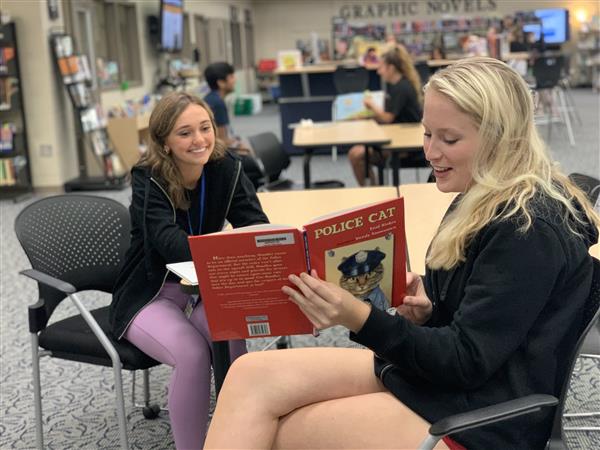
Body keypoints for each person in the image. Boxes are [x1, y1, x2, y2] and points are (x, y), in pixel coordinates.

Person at [204, 58, 600, 449]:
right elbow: (487, 319)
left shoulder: (525, 230)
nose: (430, 152)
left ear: (502, 138)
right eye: (427, 133)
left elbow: (466, 361)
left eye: (449, 140)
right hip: (446, 383)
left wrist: (359, 317)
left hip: (481, 417)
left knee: (277, 430)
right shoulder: (484, 193)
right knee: (249, 374)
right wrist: (431, 309)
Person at [108, 92, 268, 449]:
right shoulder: (148, 177)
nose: (199, 140)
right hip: (151, 293)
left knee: (230, 339)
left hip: (205, 286)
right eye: (185, 133)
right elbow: (169, 242)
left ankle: (238, 438)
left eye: (205, 128)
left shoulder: (226, 167)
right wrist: (225, 253)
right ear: (164, 141)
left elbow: (254, 225)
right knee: (191, 354)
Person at [348, 44, 423, 186]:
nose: (378, 71)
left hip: (406, 146)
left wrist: (372, 106)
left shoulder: (402, 88)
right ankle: (374, 190)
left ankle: (373, 192)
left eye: (381, 67)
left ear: (391, 68)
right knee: (356, 153)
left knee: (356, 155)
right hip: (397, 138)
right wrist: (365, 116)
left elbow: (388, 118)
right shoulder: (397, 86)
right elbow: (391, 116)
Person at [203, 62, 264, 188]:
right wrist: (240, 147)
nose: (235, 80)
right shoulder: (217, 103)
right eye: (231, 77)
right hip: (217, 155)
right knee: (254, 165)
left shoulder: (211, 99)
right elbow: (221, 140)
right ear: (221, 82)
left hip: (213, 151)